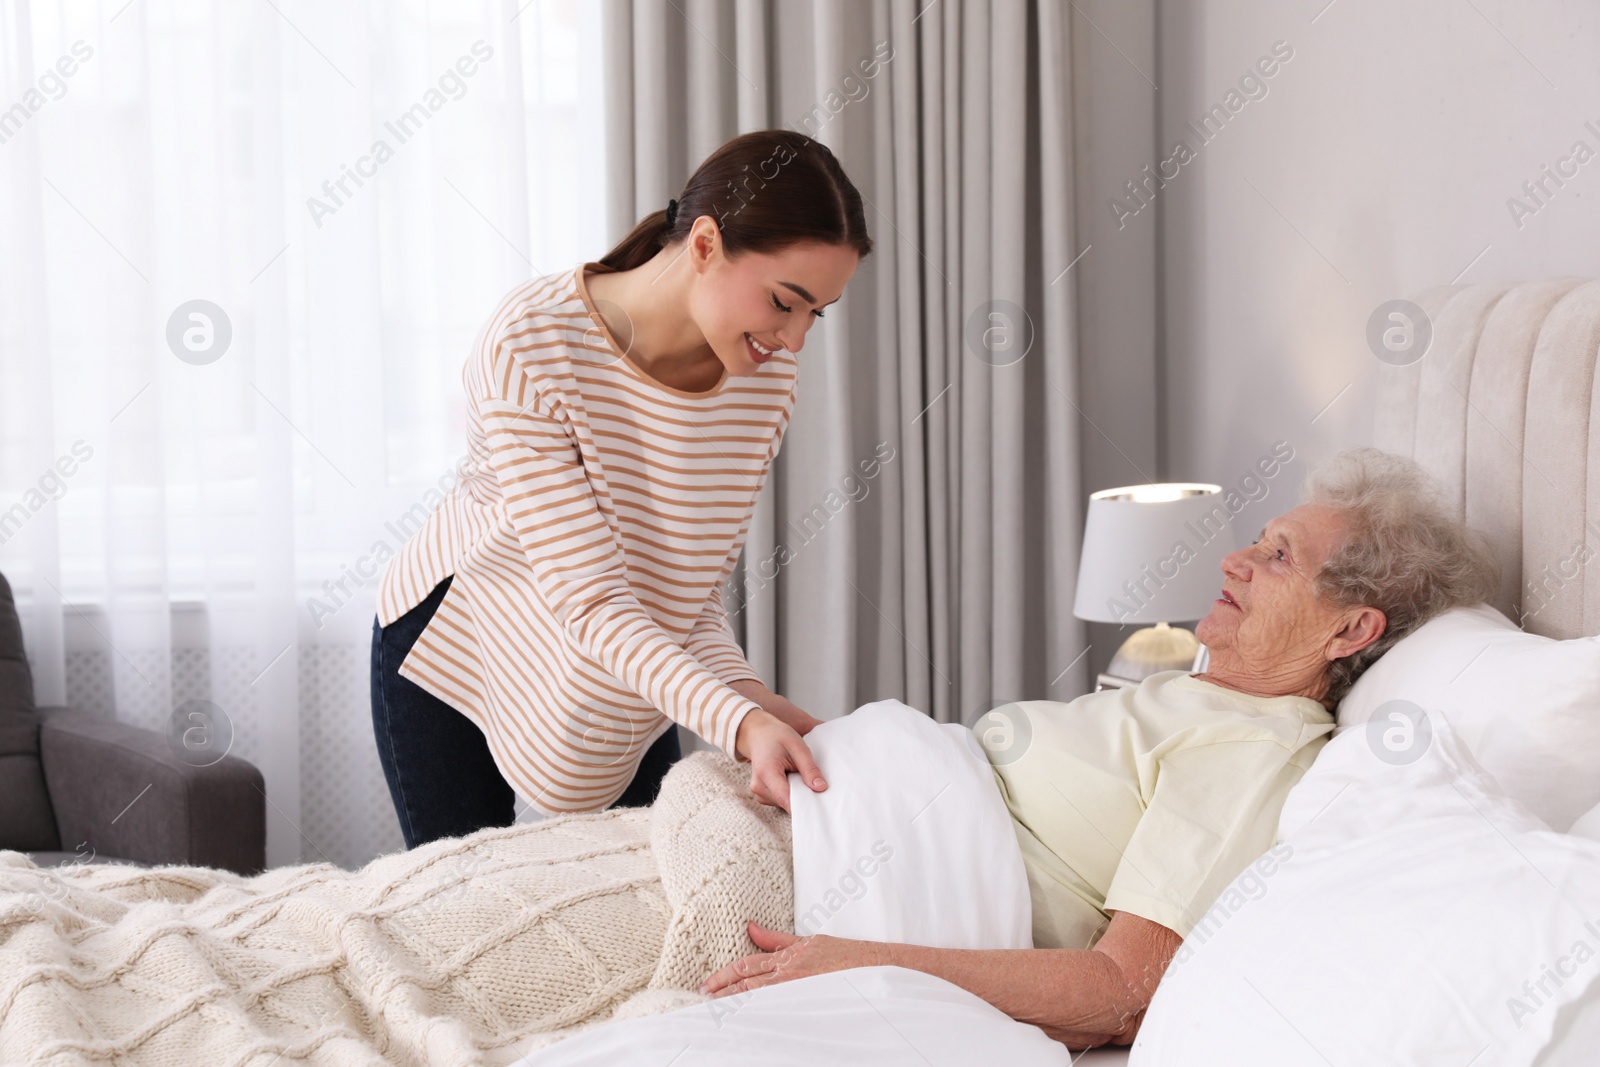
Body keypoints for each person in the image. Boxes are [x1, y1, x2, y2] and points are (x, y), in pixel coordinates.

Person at [701, 448, 1500, 1049]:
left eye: (1279, 555)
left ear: (1350, 629)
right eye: (1258, 541)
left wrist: (862, 961)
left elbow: (1125, 987)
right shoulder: (1203, 696)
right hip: (820, 815)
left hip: (832, 888)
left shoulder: (1253, 747)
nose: (1235, 560)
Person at [370, 130, 873, 849]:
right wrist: (737, 720)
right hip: (458, 644)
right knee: (459, 915)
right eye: (784, 302)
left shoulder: (763, 384)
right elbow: (593, 599)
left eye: (814, 314)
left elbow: (686, 593)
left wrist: (752, 698)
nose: (793, 341)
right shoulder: (530, 345)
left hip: (616, 665)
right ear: (705, 244)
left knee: (634, 898)